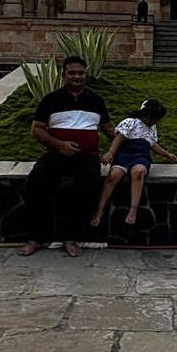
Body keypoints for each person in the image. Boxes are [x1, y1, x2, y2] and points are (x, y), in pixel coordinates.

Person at [17, 56, 115, 258]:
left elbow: (109, 129)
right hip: (54, 155)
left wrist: (131, 144)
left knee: (86, 187)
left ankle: (69, 237)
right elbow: (36, 130)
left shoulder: (96, 100)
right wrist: (59, 145)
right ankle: (35, 238)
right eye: (72, 73)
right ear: (63, 76)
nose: (77, 76)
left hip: (87, 158)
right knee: (35, 183)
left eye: (81, 72)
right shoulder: (51, 100)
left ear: (86, 75)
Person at [91, 99, 177, 227]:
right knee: (113, 176)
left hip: (140, 157)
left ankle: (133, 209)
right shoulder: (130, 123)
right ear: (148, 116)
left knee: (138, 172)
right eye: (156, 119)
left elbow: (152, 145)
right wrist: (111, 152)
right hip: (124, 155)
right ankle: (99, 210)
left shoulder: (151, 129)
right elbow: (119, 138)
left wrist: (166, 154)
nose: (157, 122)